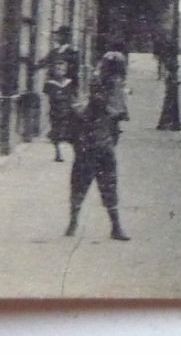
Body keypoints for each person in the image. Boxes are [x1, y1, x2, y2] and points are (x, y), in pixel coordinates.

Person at [67, 52, 130, 241]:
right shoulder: (111, 87)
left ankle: (73, 223)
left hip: (89, 143)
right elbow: (118, 112)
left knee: (80, 183)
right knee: (108, 184)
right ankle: (115, 227)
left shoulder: (99, 84)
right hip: (101, 143)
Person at [43, 58, 76, 163]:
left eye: (62, 69)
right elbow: (46, 99)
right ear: (53, 70)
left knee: (70, 133)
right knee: (56, 133)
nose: (59, 71)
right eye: (57, 69)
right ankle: (58, 154)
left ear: (65, 71)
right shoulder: (49, 84)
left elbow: (73, 97)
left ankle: (74, 154)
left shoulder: (69, 83)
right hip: (55, 111)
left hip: (68, 110)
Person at [39, 26, 80, 92]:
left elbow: (74, 72)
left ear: (65, 37)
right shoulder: (54, 52)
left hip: (66, 88)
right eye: (58, 35)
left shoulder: (72, 52)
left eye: (59, 35)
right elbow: (43, 63)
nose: (57, 37)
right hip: (52, 87)